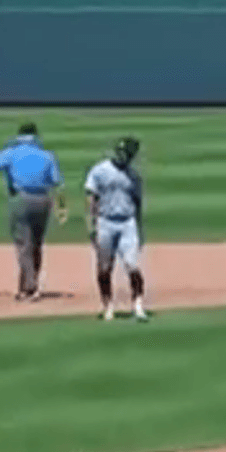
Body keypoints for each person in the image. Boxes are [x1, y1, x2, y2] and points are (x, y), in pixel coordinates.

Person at [0, 123, 67, 300]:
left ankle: (30, 287)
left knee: (23, 245)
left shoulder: (13, 152)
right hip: (43, 200)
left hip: (21, 199)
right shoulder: (47, 155)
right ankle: (27, 285)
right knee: (36, 244)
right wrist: (61, 207)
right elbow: (56, 182)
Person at [84, 137, 148, 321]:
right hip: (105, 222)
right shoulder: (100, 171)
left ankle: (138, 306)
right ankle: (108, 306)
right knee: (104, 268)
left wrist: (139, 227)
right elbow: (91, 197)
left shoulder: (133, 177)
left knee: (132, 265)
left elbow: (138, 203)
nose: (123, 157)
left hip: (127, 223)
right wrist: (92, 224)